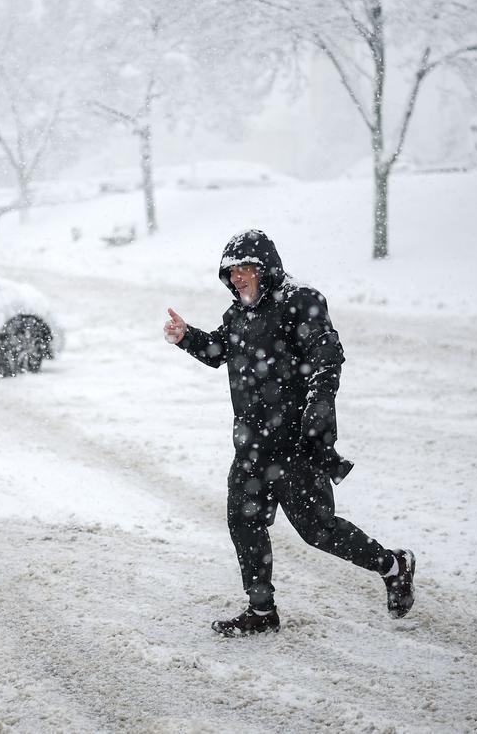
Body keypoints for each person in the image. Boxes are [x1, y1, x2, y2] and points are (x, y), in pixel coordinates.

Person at [163, 229, 415, 636]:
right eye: (231, 272)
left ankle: (392, 564)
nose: (238, 278)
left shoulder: (301, 302)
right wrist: (187, 337)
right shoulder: (237, 316)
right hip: (251, 448)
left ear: (265, 268)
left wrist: (318, 400)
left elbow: (327, 354)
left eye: (245, 269)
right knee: (243, 522)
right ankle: (261, 612)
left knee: (319, 531)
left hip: (294, 445)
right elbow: (218, 352)